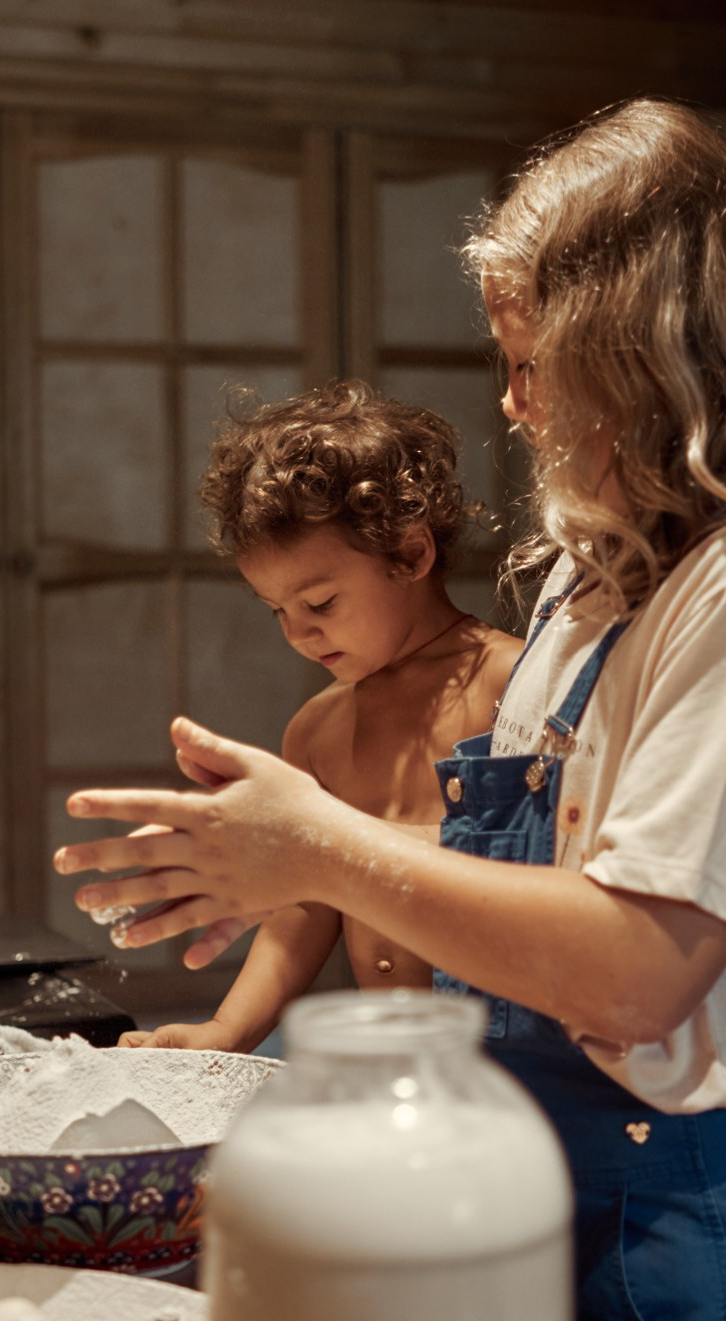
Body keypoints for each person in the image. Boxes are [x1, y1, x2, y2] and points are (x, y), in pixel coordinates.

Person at [58, 99, 726, 1321]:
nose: (512, 402)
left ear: (646, 353)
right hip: (559, 1197)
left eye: (536, 363)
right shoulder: (596, 585)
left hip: (713, 1266)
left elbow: (637, 971)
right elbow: (503, 904)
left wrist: (312, 843)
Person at [116, 380, 520, 1054]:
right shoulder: (318, 729)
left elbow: (533, 868)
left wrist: (322, 846)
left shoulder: (509, 684)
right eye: (277, 610)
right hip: (397, 1060)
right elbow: (303, 907)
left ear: (411, 555)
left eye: (321, 602)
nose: (298, 633)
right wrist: (228, 1030)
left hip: (508, 1056)